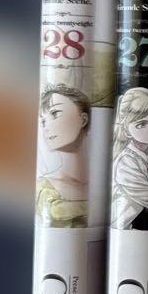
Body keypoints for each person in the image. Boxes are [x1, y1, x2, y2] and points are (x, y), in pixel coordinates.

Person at [111, 86, 148, 230]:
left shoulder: (141, 158)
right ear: (126, 129)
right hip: (120, 232)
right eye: (142, 124)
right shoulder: (126, 161)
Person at [36, 83, 90, 228]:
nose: (46, 127)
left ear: (83, 120)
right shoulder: (43, 188)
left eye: (55, 113)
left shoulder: (100, 185)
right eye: (43, 121)